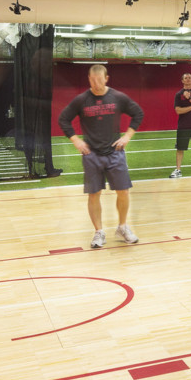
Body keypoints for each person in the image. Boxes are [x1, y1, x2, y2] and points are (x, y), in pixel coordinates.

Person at [57, 64, 146, 249]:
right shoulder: (81, 100)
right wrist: (76, 141)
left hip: (115, 153)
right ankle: (98, 232)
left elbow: (138, 113)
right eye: (92, 80)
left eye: (100, 79)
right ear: (89, 79)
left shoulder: (118, 97)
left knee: (123, 192)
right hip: (92, 155)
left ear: (107, 79)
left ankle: (122, 227)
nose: (96, 83)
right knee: (94, 194)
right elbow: (63, 119)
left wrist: (127, 136)